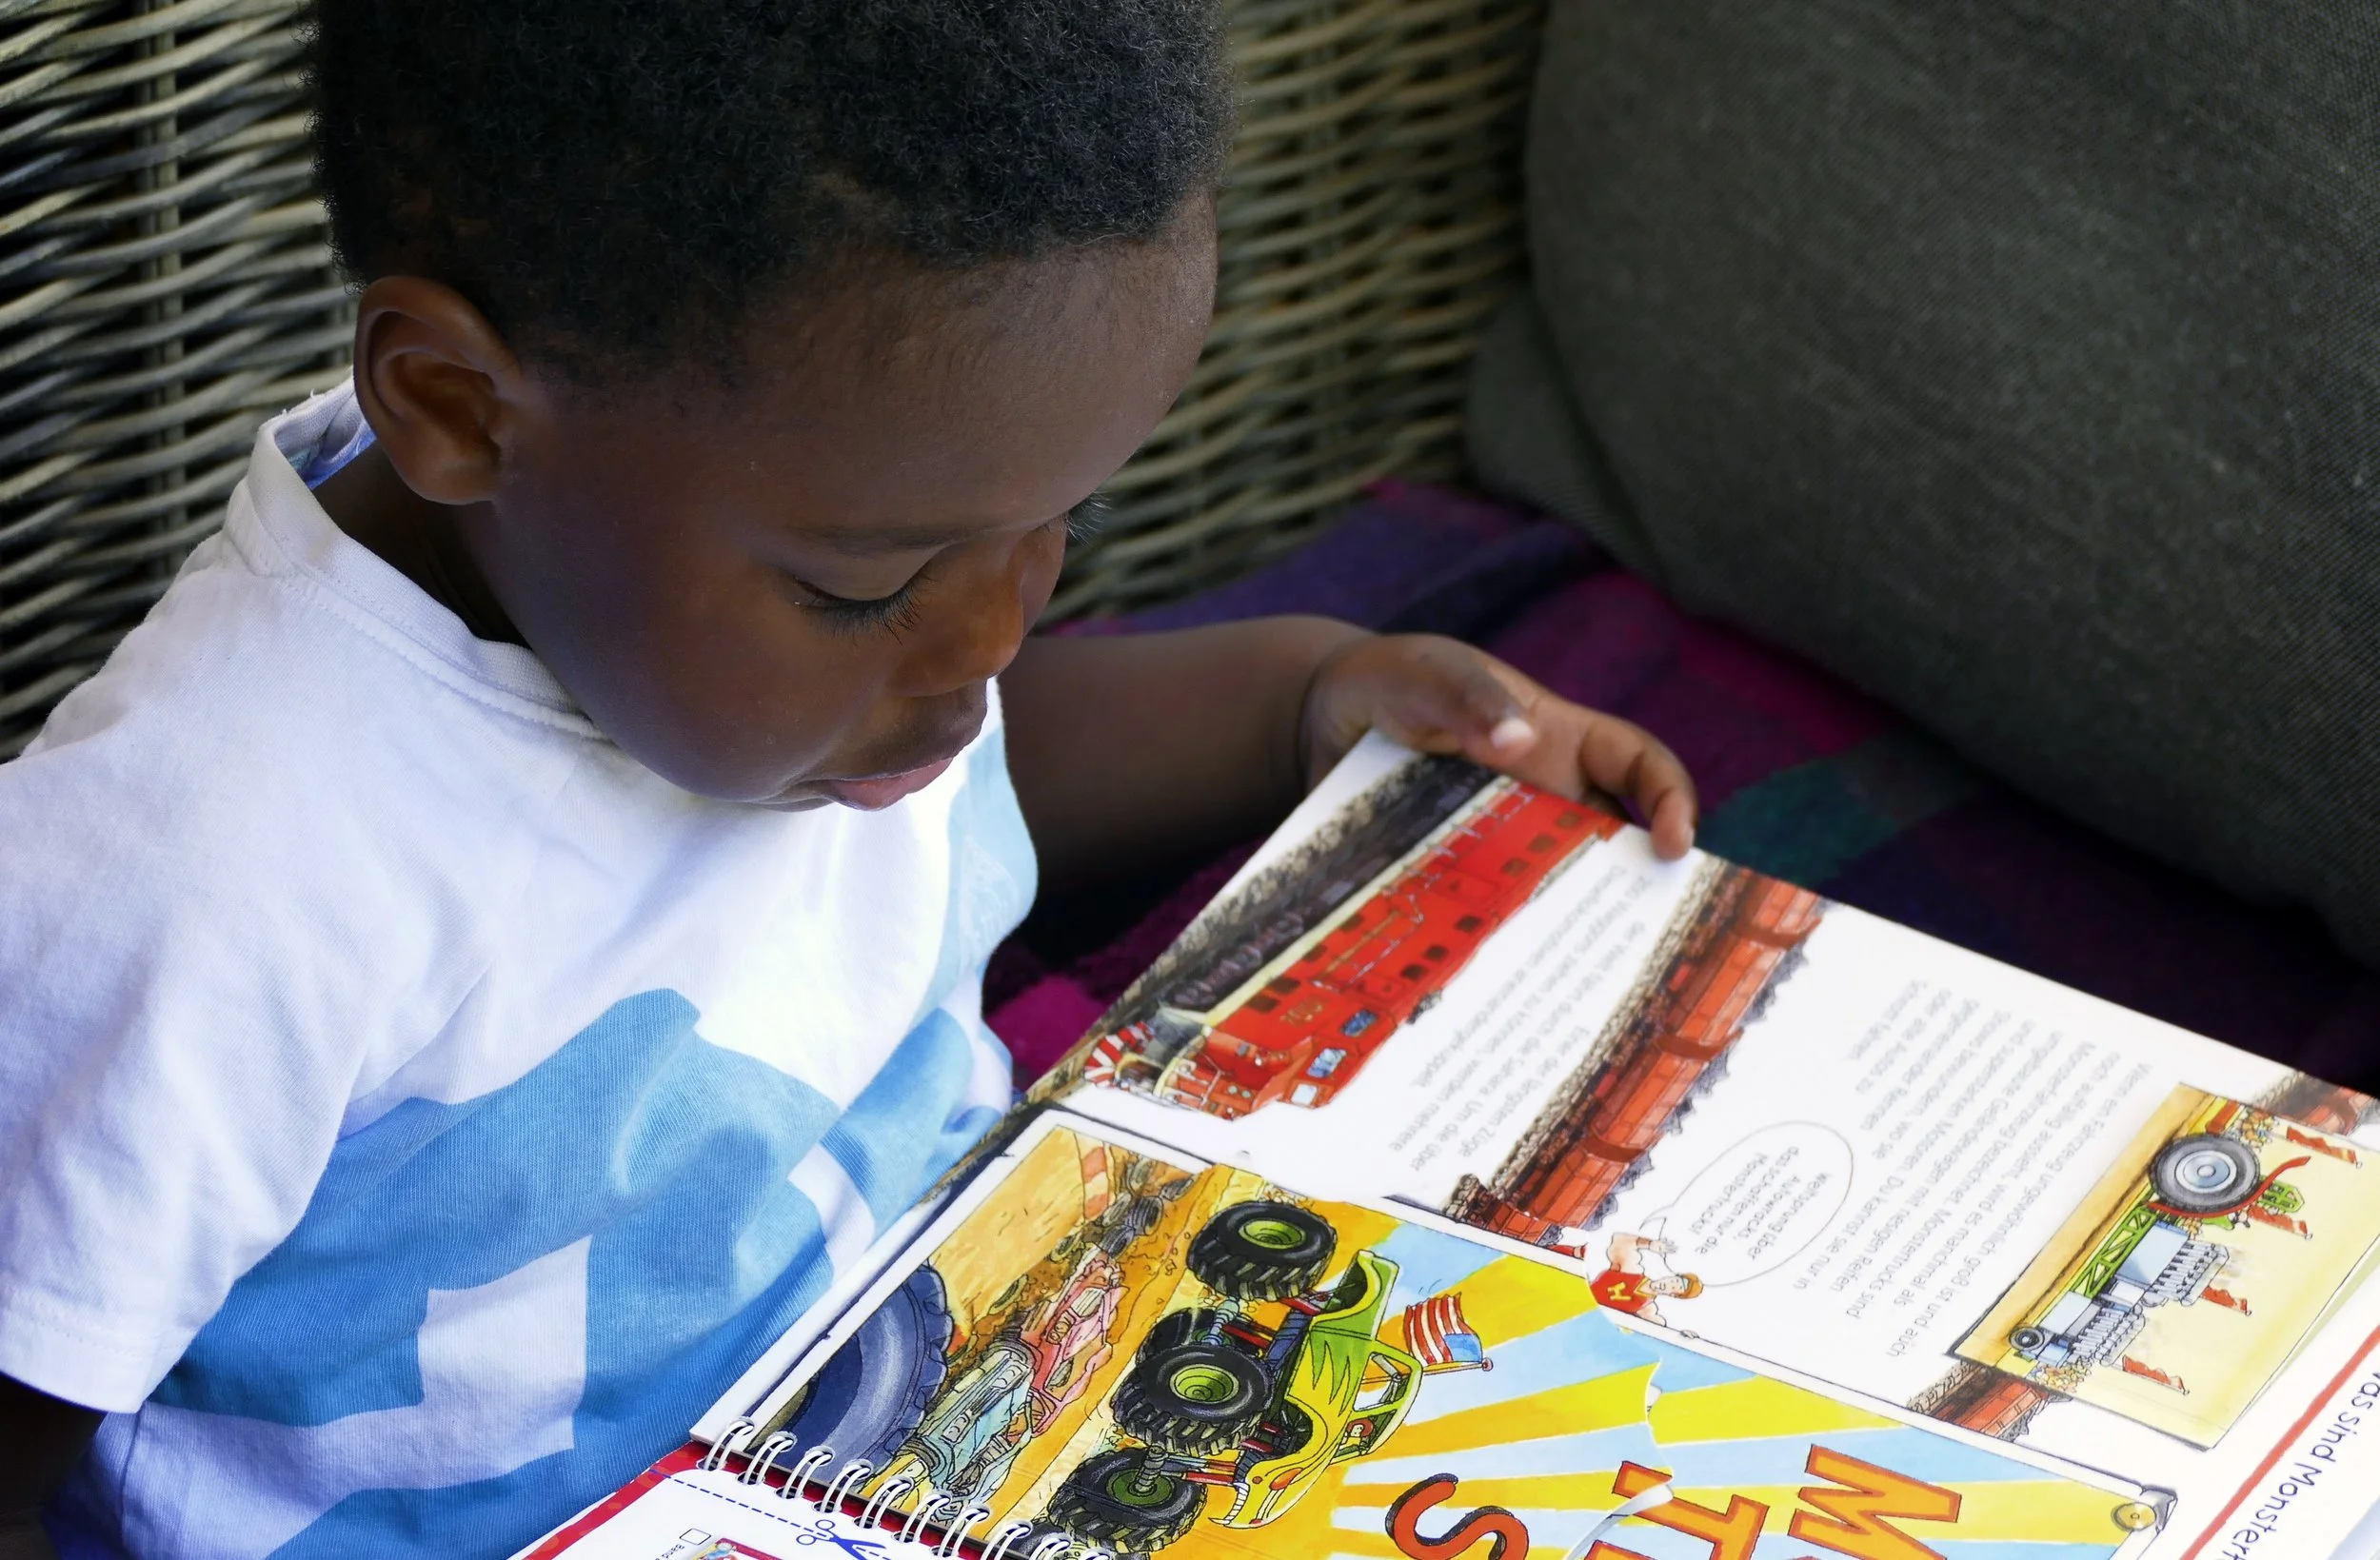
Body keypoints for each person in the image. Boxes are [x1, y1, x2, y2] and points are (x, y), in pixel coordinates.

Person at [0, 2, 1697, 1555]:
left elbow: (970, 782)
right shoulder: (186, 883)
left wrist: (1301, 702)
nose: (989, 636)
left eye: (1065, 524)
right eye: (866, 585)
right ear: (457, 409)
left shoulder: (756, 618)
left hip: (958, 1402)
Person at [1589, 1234, 1705, 1326]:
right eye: (1673, 1281)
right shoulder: (1632, 1270)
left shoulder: (1647, 1309)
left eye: (1675, 1287)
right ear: (1669, 1277)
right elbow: (1620, 1241)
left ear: (1673, 1295)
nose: (1669, 1285)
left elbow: (1659, 1331)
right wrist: (1649, 1244)